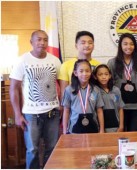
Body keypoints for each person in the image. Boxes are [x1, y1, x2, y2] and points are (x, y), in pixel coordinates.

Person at [9, 30, 61, 168]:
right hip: (31, 115)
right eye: (38, 39)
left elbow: (61, 84)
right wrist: (17, 114)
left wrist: (60, 104)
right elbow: (13, 88)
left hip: (53, 113)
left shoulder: (55, 60)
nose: (42, 43)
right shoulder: (22, 60)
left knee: (52, 148)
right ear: (31, 42)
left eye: (45, 40)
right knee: (32, 150)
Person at [107, 33, 137, 132]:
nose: (128, 47)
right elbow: (108, 86)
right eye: (125, 44)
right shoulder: (112, 63)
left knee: (133, 135)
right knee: (120, 136)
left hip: (136, 107)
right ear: (120, 45)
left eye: (131, 44)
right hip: (119, 107)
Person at [61, 59, 104, 134]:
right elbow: (66, 111)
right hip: (75, 130)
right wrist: (65, 130)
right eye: (81, 71)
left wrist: (102, 129)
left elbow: (99, 110)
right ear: (75, 73)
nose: (84, 74)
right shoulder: (69, 90)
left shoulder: (96, 90)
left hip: (93, 128)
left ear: (91, 72)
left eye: (87, 71)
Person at [58, 31, 100, 101]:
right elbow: (63, 92)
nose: (87, 45)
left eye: (90, 43)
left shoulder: (99, 65)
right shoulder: (66, 65)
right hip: (74, 106)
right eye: (83, 43)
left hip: (95, 105)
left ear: (93, 46)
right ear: (76, 45)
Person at [92, 64, 124, 133]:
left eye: (106, 74)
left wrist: (121, 126)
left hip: (115, 126)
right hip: (100, 128)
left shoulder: (116, 90)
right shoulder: (94, 91)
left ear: (110, 75)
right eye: (100, 75)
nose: (104, 77)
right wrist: (101, 129)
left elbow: (120, 108)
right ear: (95, 77)